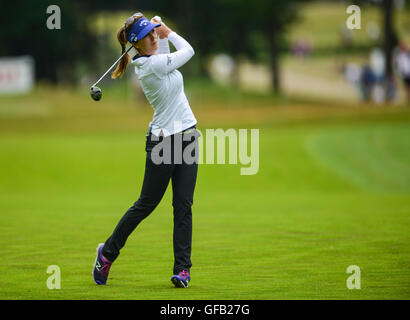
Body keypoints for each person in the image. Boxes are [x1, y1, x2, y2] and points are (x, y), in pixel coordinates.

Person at [92, 12, 199, 288]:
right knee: (146, 204)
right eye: (147, 36)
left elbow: (162, 51)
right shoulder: (148, 67)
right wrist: (168, 30)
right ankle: (107, 253)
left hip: (187, 137)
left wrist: (156, 26)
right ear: (136, 45)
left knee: (183, 205)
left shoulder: (155, 58)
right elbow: (188, 50)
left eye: (153, 33)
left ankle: (182, 270)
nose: (154, 37)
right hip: (163, 144)